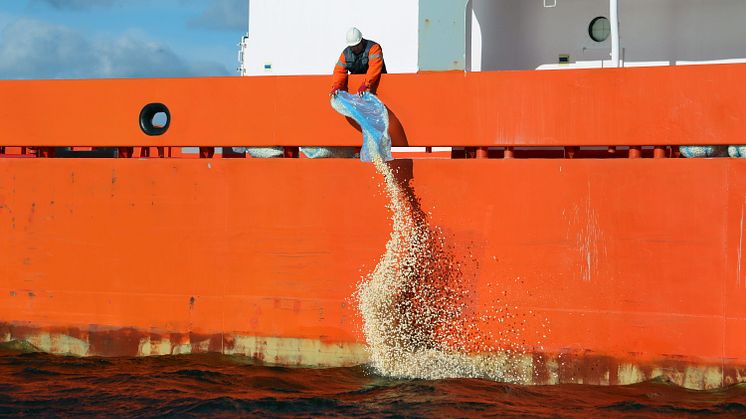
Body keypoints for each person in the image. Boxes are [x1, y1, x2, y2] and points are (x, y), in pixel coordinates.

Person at [330, 28, 387, 96]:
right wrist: (336, 86)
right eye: (352, 47)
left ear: (361, 41)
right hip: (358, 90)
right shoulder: (345, 54)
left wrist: (365, 84)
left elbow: (374, 68)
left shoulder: (374, 48)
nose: (355, 49)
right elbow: (339, 71)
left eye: (357, 46)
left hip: (377, 86)